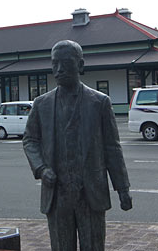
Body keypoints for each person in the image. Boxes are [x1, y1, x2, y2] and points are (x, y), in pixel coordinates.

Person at [23, 40, 132, 251]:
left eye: (66, 63)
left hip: (90, 192)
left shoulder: (99, 102)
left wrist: (123, 189)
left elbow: (112, 148)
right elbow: (30, 140)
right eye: (55, 63)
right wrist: (41, 168)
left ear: (80, 65)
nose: (59, 69)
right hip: (57, 194)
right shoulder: (41, 104)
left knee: (93, 246)